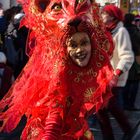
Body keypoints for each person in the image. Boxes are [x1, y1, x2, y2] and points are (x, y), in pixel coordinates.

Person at [0, 1, 114, 139]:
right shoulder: (59, 72)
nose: (79, 50)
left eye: (84, 43)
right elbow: (53, 116)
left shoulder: (91, 68)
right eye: (73, 45)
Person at [96, 4, 134, 140]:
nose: (101, 16)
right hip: (101, 78)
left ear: (112, 16)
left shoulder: (121, 31)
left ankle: (129, 131)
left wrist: (116, 74)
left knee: (110, 107)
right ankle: (111, 136)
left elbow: (127, 56)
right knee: (100, 110)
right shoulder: (105, 31)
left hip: (113, 79)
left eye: (104, 14)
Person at [123, 13, 140, 110]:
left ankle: (125, 103)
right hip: (135, 59)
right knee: (134, 82)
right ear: (133, 21)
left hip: (124, 60)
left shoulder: (121, 29)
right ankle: (130, 104)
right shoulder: (135, 31)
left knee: (126, 82)